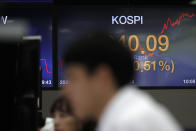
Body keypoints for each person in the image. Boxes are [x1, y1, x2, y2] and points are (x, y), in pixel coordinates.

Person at [61, 31, 183, 131]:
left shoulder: (127, 123)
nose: (65, 91)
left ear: (103, 77)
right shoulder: (124, 113)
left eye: (73, 78)